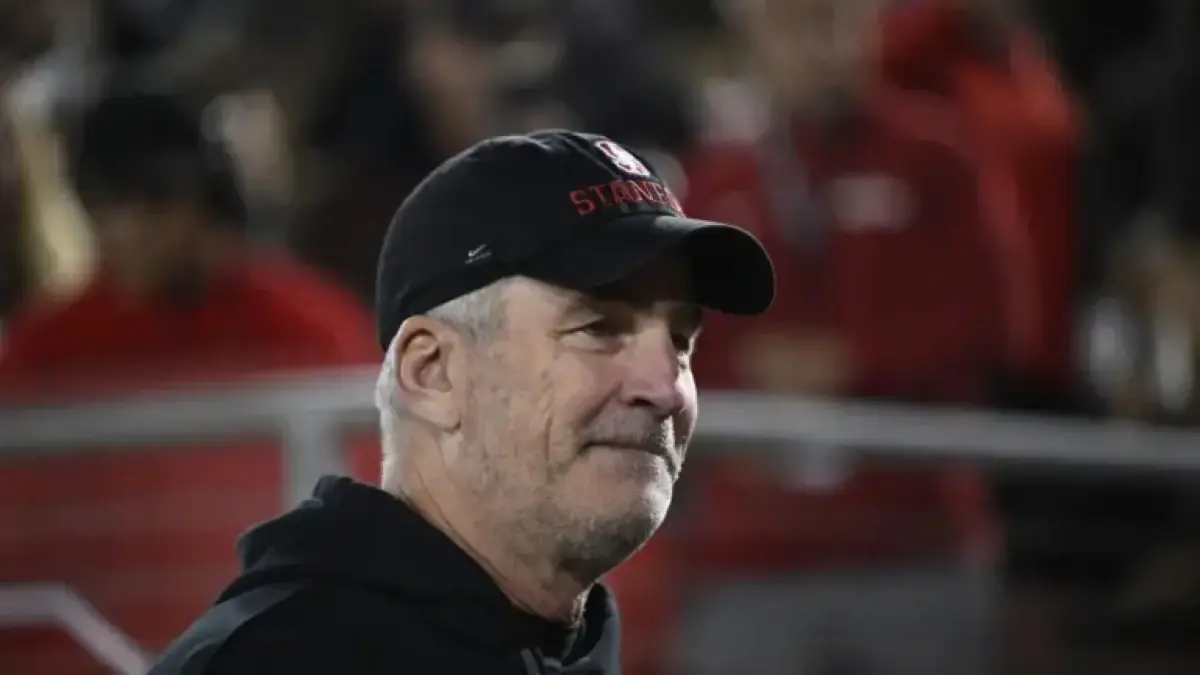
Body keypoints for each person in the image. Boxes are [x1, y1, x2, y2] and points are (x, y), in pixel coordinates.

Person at [148, 129, 775, 674]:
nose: (665, 388)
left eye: (681, 341)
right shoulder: (271, 661)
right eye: (599, 328)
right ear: (433, 372)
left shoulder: (574, 645)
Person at [0, 91, 379, 394]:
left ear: (201, 203)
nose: (122, 237)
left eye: (154, 208)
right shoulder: (52, 347)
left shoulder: (307, 325)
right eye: (100, 211)